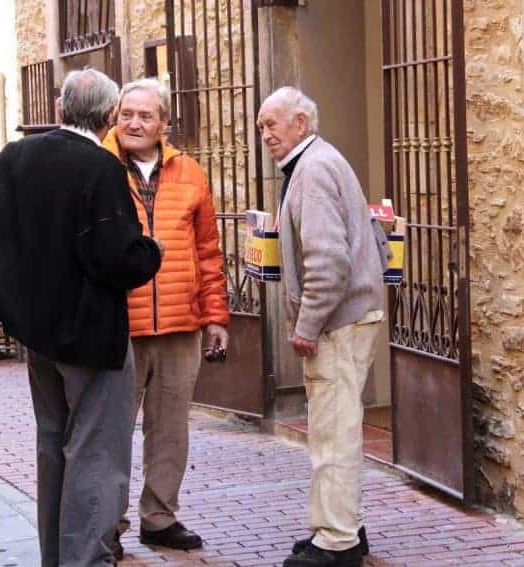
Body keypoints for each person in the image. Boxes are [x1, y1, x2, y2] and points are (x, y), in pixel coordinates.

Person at [0, 69, 162, 567]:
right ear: (108, 118)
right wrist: (151, 252)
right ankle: (84, 559)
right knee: (96, 449)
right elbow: (114, 258)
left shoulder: (20, 156)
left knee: (52, 444)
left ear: (60, 110)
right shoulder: (102, 169)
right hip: (92, 334)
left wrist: (7, 266)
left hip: (38, 330)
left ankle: (56, 558)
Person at [257, 87, 385, 567]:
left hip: (338, 323)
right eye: (261, 127)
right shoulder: (318, 162)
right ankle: (342, 525)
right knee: (339, 429)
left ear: (301, 125)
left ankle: (336, 542)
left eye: (273, 124)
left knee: (332, 433)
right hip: (351, 317)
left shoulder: (311, 169)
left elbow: (328, 262)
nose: (266, 134)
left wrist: (307, 324)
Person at [102, 78, 229, 552]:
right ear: (115, 116)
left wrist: (215, 315)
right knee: (111, 432)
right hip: (121, 324)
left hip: (180, 325)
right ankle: (107, 525)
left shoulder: (190, 173)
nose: (135, 123)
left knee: (171, 430)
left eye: (146, 115)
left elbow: (209, 251)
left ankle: (159, 517)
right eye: (127, 113)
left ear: (164, 123)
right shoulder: (98, 167)